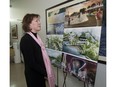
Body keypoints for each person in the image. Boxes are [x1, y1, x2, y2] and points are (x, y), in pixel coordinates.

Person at [20, 13, 55, 87]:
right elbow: (31, 63)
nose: (39, 22)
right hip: (33, 75)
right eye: (36, 21)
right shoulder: (26, 40)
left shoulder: (37, 38)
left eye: (39, 20)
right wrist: (45, 72)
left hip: (40, 73)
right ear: (29, 24)